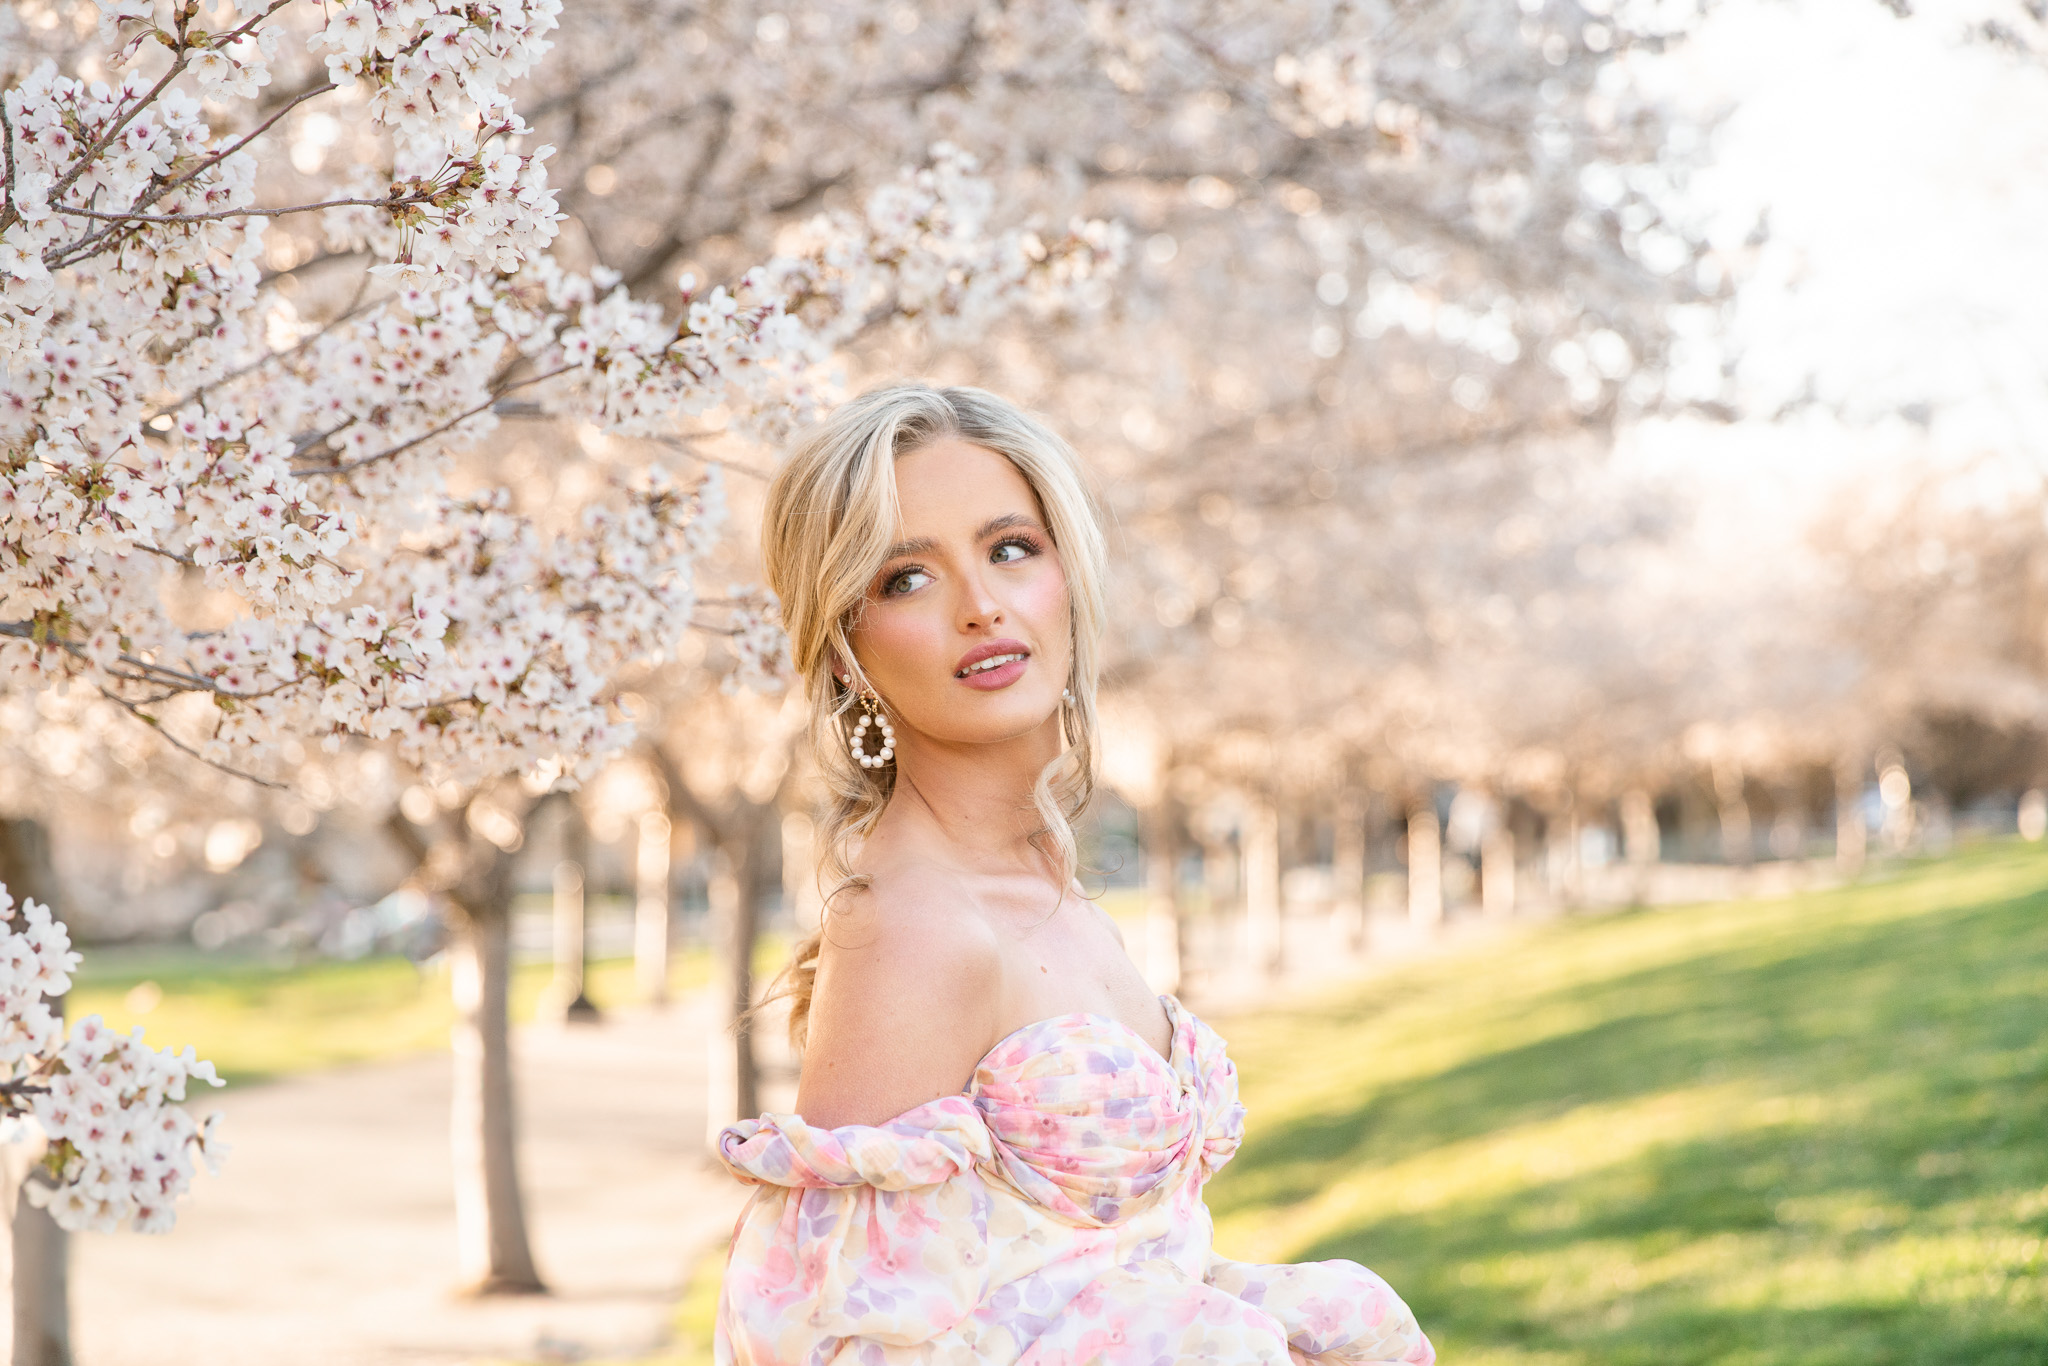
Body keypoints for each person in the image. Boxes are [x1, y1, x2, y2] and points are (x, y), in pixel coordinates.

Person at [715, 383, 1433, 1365]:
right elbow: (831, 1342)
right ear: (844, 651)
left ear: (1065, 572)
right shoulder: (913, 923)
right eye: (904, 579)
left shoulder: (1051, 889)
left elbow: (1089, 1275)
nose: (981, 605)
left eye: (1010, 548)